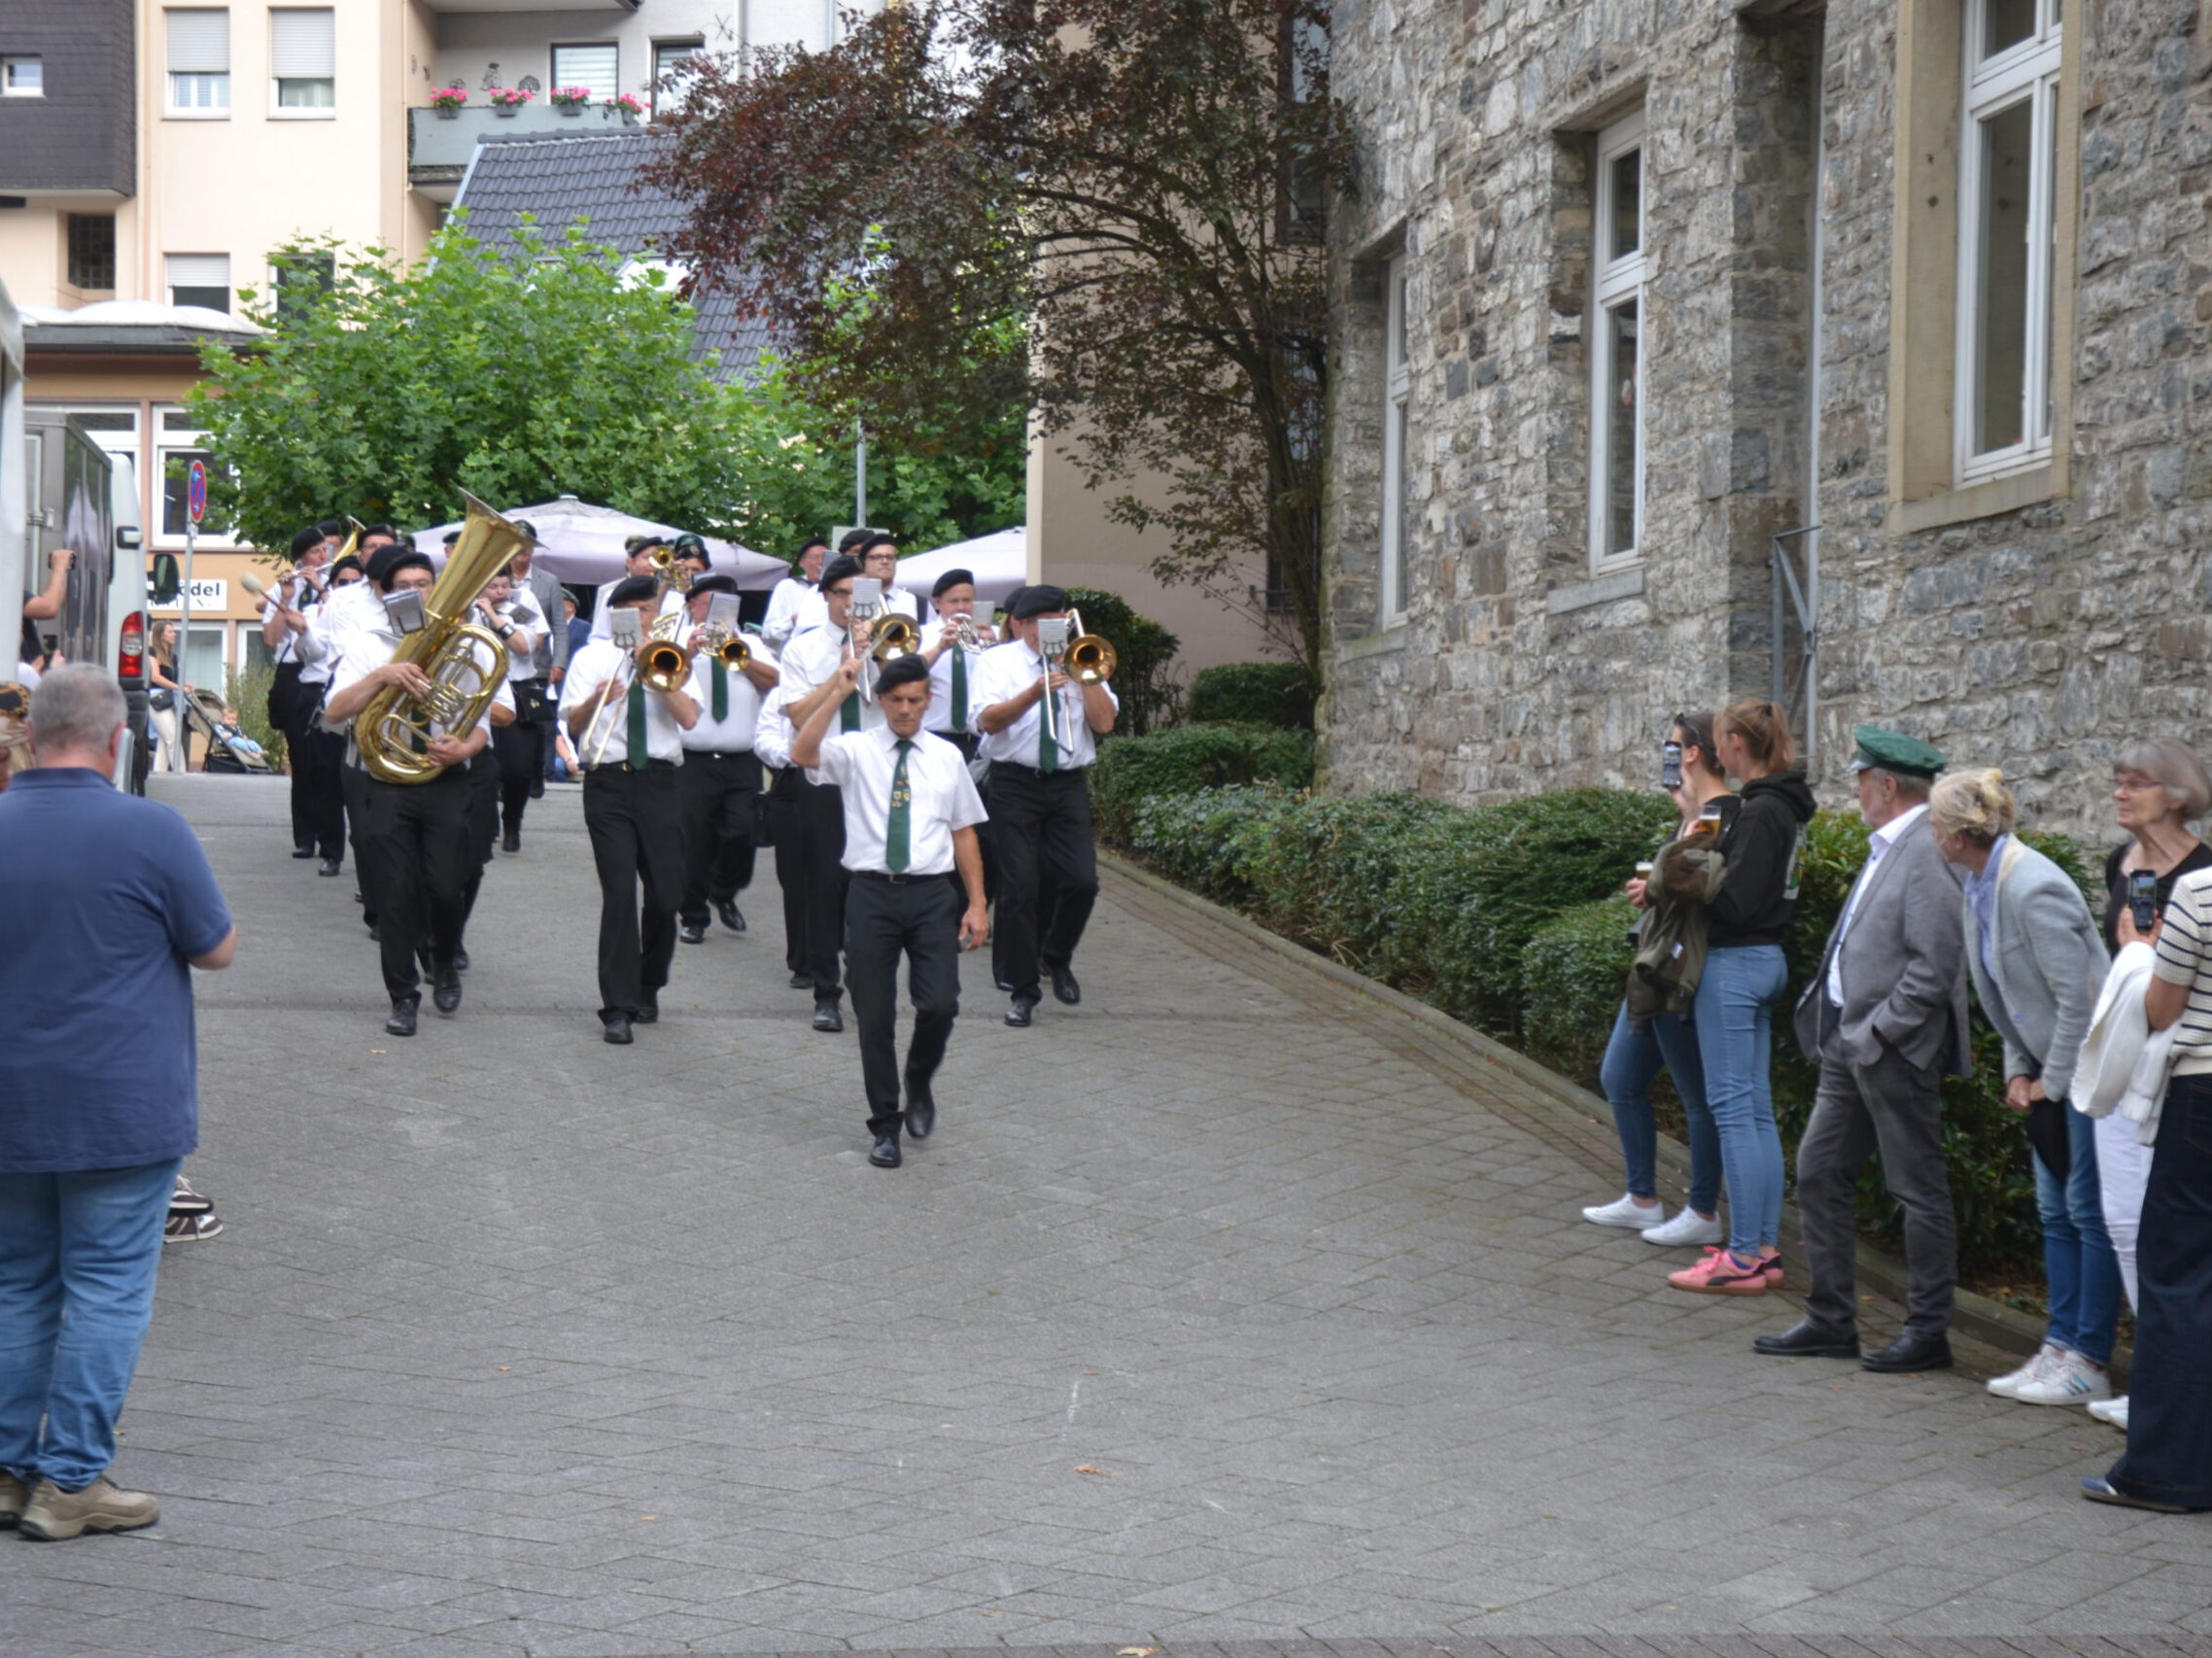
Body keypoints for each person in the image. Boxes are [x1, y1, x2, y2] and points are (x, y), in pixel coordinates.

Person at [0, 665, 237, 1540]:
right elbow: (215, 949)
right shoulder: (152, 829)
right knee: (104, 1289)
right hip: (119, 1106)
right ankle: (70, 1483)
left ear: (30, 736)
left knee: (15, 1283)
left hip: (9, 1100)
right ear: (116, 740)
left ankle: (7, 1472)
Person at [1760, 726, 1970, 1368]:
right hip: (1849, 1044)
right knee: (1819, 1173)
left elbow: (1936, 964)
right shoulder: (1891, 844)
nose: (1854, 791)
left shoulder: (1926, 849)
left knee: (1917, 1189)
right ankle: (1831, 1321)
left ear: (1887, 785)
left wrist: (1880, 1031)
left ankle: (1928, 1334)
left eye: (1859, 780)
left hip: (1891, 1050)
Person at [1930, 768, 2116, 1406]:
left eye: (1936, 824)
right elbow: (2012, 994)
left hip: (2086, 1071)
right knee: (2055, 1212)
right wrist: (2017, 1068)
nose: (1931, 834)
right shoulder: (1978, 882)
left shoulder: (2033, 885)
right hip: (2047, 1071)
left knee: (2086, 1212)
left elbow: (2079, 1001)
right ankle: (2058, 1347)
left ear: (1958, 835)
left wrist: (2049, 1084)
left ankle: (2089, 1359)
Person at [789, 650, 989, 1166]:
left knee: (940, 1004)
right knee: (874, 1014)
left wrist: (977, 903)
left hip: (931, 895)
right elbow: (803, 754)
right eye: (896, 700)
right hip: (871, 894)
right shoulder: (855, 749)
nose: (905, 709)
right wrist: (836, 691)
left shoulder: (946, 756)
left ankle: (918, 1079)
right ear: (880, 701)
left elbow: (964, 831)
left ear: (928, 701)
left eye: (915, 700)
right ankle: (885, 1123)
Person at [1659, 701, 1817, 1296]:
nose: (1720, 751)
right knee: (1753, 1112)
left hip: (1733, 965)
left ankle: (1745, 1255)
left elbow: (1736, 902)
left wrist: (1685, 876)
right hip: (1763, 959)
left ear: (1736, 746)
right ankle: (1761, 1248)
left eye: (1724, 740)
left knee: (1734, 1111)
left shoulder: (1761, 810)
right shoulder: (1785, 806)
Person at [322, 547, 511, 1037]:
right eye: (403, 586)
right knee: (395, 894)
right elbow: (335, 711)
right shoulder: (370, 643)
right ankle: (402, 996)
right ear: (387, 595)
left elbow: (486, 718)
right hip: (385, 781)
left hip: (445, 779)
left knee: (448, 886)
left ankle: (443, 960)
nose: (415, 592)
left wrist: (464, 746)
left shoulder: (468, 641)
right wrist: (382, 675)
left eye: (423, 584)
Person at [2083, 739, 2212, 1431]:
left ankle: (2170, 1393)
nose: (2120, 793)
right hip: (2126, 1059)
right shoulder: (2121, 862)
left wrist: (2147, 952)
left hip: (2182, 1067)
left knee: (2169, 1236)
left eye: (2136, 783)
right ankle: (2155, 1383)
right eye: (2118, 781)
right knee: (2123, 1220)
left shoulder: (2203, 873)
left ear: (2178, 794)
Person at [1582, 712, 1728, 1248]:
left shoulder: (1724, 815)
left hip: (1675, 970)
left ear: (1692, 753)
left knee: (1697, 1096)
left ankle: (1703, 1208)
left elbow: (1698, 887)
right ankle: (1642, 1198)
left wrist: (1655, 888)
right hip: (1654, 965)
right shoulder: (1695, 814)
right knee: (1619, 1077)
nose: (1667, 755)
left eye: (1673, 747)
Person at [561, 574, 699, 1044]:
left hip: (660, 781)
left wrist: (653, 669)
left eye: (648, 610)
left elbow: (689, 717)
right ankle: (617, 1007)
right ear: (616, 614)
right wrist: (597, 697)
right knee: (619, 894)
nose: (642, 618)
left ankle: (648, 983)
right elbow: (574, 723)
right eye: (634, 610)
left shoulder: (671, 656)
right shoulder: (592, 656)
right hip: (609, 781)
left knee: (667, 896)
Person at [973, 585, 1120, 1026]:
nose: (1049, 629)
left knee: (1082, 882)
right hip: (1014, 783)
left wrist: (1084, 678)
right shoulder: (997, 661)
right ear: (1021, 624)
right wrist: (1034, 692)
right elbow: (987, 721)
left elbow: (1104, 723)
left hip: (1067, 782)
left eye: (1057, 621)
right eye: (1039, 622)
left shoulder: (1083, 659)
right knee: (1020, 888)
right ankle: (1023, 991)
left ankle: (1056, 955)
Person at [759, 556, 878, 1031]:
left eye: (860, 595)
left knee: (869, 883)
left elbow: (907, 701)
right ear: (827, 596)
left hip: (872, 776)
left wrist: (876, 654)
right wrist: (840, 673)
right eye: (843, 593)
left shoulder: (889, 641)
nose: (851, 603)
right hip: (822, 775)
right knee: (824, 886)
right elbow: (797, 715)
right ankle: (827, 992)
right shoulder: (803, 648)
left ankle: (868, 980)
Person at [675, 573, 778, 945]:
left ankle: (722, 890)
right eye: (711, 603)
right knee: (693, 841)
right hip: (693, 759)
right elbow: (660, 682)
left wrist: (739, 655)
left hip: (741, 758)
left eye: (728, 604)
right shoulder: (677, 641)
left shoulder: (750, 643)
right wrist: (688, 652)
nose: (720, 611)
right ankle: (693, 916)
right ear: (693, 606)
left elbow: (774, 681)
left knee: (744, 831)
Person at [474, 570, 547, 853]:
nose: (501, 591)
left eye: (505, 585)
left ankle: (513, 821)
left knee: (519, 767)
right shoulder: (469, 607)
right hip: (482, 690)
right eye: (493, 586)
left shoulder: (521, 602)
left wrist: (494, 616)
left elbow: (524, 646)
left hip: (518, 690)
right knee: (485, 763)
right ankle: (488, 822)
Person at [505, 529, 570, 795]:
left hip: (539, 665)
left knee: (538, 721)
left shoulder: (549, 580)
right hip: (504, 664)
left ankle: (537, 774)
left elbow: (559, 625)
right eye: (519, 544)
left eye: (529, 544)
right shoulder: (496, 578)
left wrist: (559, 661)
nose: (525, 550)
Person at [590, 539, 684, 639]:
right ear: (631, 562)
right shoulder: (612, 594)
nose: (653, 563)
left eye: (658, 559)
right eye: (647, 557)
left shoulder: (676, 599)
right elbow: (599, 636)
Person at [763, 536, 828, 648]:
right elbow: (768, 633)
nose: (821, 562)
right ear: (801, 563)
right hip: (792, 652)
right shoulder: (788, 587)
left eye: (825, 558)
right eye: (815, 557)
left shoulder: (837, 591)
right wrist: (792, 622)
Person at [148, 621, 186, 774]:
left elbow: (172, 681)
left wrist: (183, 685)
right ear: (161, 635)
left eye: (174, 631)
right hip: (157, 699)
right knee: (173, 738)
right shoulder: (152, 652)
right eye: (170, 632)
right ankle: (181, 772)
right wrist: (178, 687)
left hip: (169, 699)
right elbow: (155, 677)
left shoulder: (172, 656)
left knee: (164, 740)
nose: (174, 634)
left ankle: (159, 772)